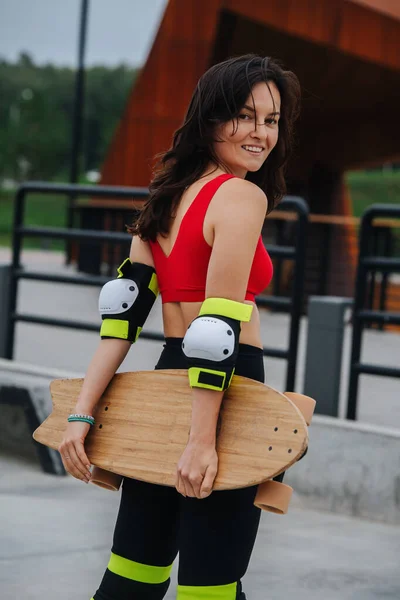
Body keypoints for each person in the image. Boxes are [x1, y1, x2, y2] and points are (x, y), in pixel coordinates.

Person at [59, 54, 301, 600]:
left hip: (169, 379)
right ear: (210, 119)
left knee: (132, 575)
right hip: (227, 389)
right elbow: (218, 327)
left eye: (272, 119)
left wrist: (82, 414)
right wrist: (200, 442)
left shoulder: (161, 199)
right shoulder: (241, 196)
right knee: (209, 588)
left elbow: (119, 323)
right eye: (244, 115)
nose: (260, 133)